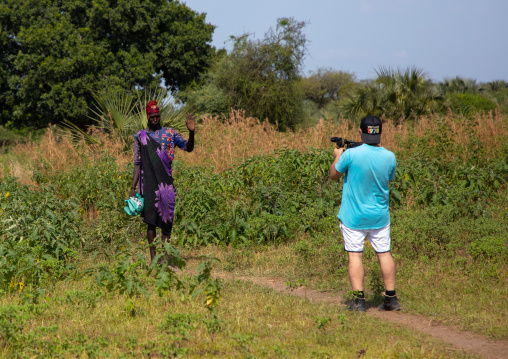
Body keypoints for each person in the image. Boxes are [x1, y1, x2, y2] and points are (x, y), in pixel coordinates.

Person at [329, 115, 400, 312]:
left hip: (354, 216)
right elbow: (388, 177)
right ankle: (391, 299)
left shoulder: (351, 155)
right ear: (380, 133)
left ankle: (359, 301)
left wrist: (337, 156)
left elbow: (334, 175)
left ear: (360, 132)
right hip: (379, 216)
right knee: (384, 253)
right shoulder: (390, 156)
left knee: (355, 256)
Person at [129, 100, 195, 264]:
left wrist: (192, 133)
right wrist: (132, 188)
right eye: (152, 116)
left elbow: (188, 148)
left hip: (166, 183)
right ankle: (153, 260)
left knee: (167, 221)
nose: (155, 119)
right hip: (148, 183)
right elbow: (137, 163)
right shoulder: (140, 136)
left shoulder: (170, 133)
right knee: (151, 222)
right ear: (147, 117)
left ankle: (164, 259)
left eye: (157, 116)